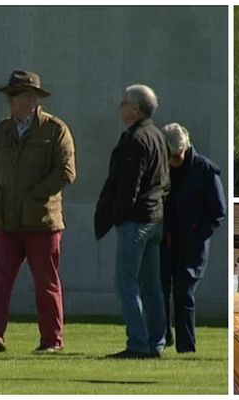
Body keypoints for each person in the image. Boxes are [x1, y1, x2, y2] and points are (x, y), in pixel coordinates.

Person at [0, 70, 76, 353]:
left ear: (33, 99)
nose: (16, 101)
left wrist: (35, 196)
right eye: (14, 96)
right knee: (0, 282)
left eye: (21, 96)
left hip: (42, 223)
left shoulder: (56, 130)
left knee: (46, 285)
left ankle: (51, 341)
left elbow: (66, 173)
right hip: (6, 222)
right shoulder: (1, 130)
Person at [94, 84, 170, 359]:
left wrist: (116, 216)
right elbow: (164, 181)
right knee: (152, 287)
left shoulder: (136, 139)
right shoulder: (158, 136)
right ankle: (155, 343)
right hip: (155, 220)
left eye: (123, 102)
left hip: (136, 222)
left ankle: (138, 344)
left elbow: (128, 186)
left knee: (126, 284)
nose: (120, 107)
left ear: (135, 108)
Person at [160, 123, 226, 353]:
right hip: (165, 240)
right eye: (171, 156)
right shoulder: (161, 166)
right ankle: (162, 337)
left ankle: (186, 347)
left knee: (184, 294)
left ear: (185, 148)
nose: (174, 161)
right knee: (160, 288)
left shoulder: (205, 170)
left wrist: (198, 234)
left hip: (192, 244)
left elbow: (218, 211)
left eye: (177, 156)